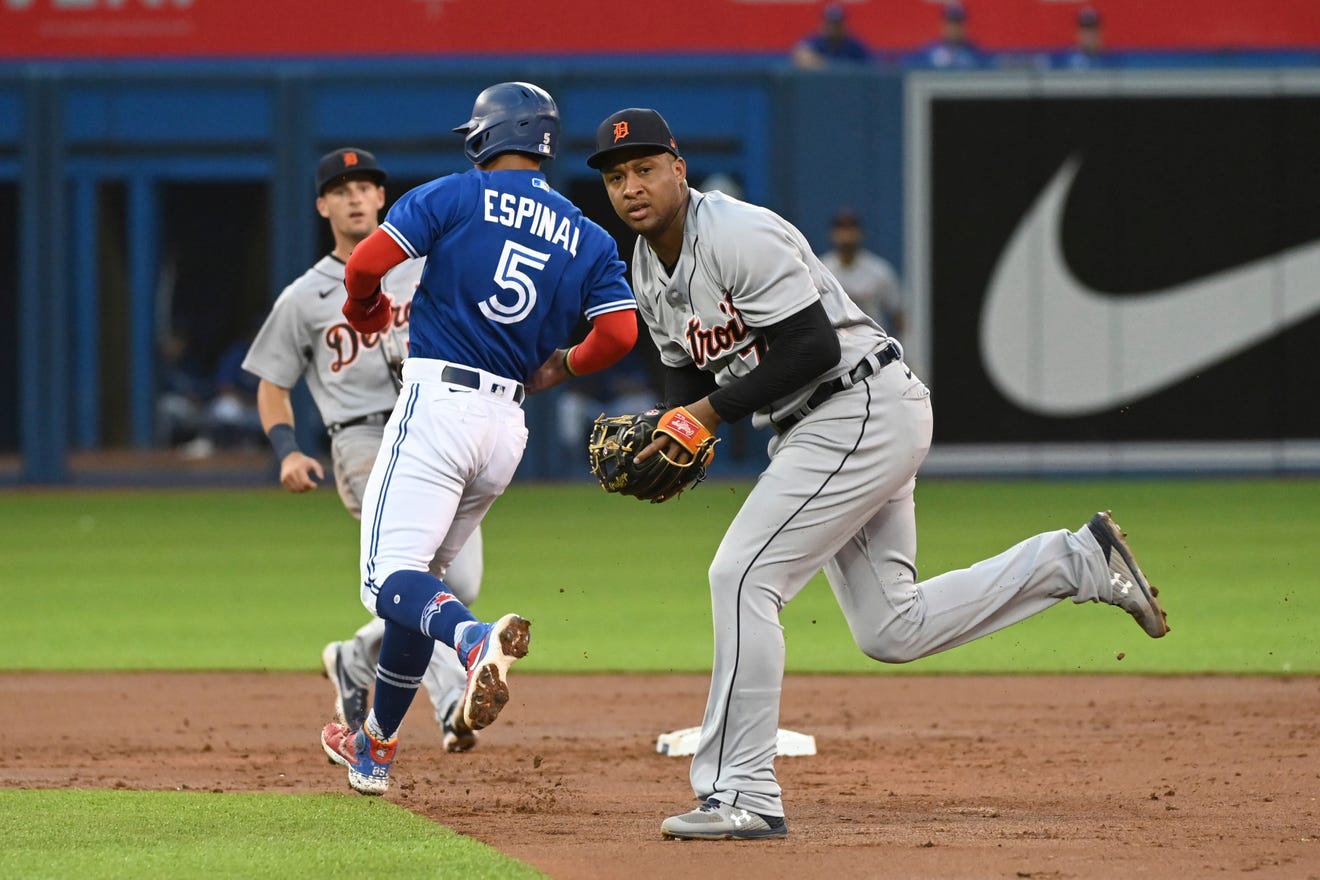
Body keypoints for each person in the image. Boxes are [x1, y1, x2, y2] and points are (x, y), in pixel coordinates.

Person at [581, 107, 1169, 840]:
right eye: (615, 176)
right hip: (832, 425)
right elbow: (680, 378)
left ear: (678, 169)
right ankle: (1073, 560)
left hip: (854, 403)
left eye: (643, 168)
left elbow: (811, 349)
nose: (630, 185)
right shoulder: (646, 266)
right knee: (892, 627)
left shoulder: (734, 232)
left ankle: (745, 792)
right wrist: (670, 439)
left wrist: (705, 416)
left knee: (742, 577)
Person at [320, 82, 638, 795]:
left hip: (439, 403)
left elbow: (366, 265)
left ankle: (471, 641)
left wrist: (363, 309)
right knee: (419, 584)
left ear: (488, 135)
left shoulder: (453, 195)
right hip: (506, 427)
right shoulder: (586, 233)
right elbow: (619, 333)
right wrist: (562, 366)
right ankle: (375, 747)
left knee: (385, 583)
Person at [242, 147, 485, 753]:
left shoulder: (423, 267)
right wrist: (287, 450)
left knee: (465, 582)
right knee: (422, 569)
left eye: (366, 186)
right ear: (323, 204)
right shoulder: (303, 297)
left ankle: (355, 658)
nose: (355, 197)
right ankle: (453, 696)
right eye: (341, 188)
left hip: (435, 423)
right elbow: (272, 383)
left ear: (383, 198)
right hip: (362, 439)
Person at [819, 208, 905, 339]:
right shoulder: (822, 269)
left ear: (860, 233)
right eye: (841, 229)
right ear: (832, 234)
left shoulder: (879, 270)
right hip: (835, 346)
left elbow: (898, 315)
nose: (846, 236)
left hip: (873, 345)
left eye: (851, 229)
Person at [790, 2, 870, 70]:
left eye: (837, 24)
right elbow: (801, 54)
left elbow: (870, 65)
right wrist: (824, 65)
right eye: (829, 23)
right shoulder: (815, 41)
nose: (833, 28)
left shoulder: (853, 45)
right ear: (823, 24)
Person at [912, 1, 984, 70]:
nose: (954, 28)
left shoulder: (974, 53)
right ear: (942, 24)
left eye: (958, 24)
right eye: (950, 23)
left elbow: (989, 61)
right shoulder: (929, 52)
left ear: (965, 26)